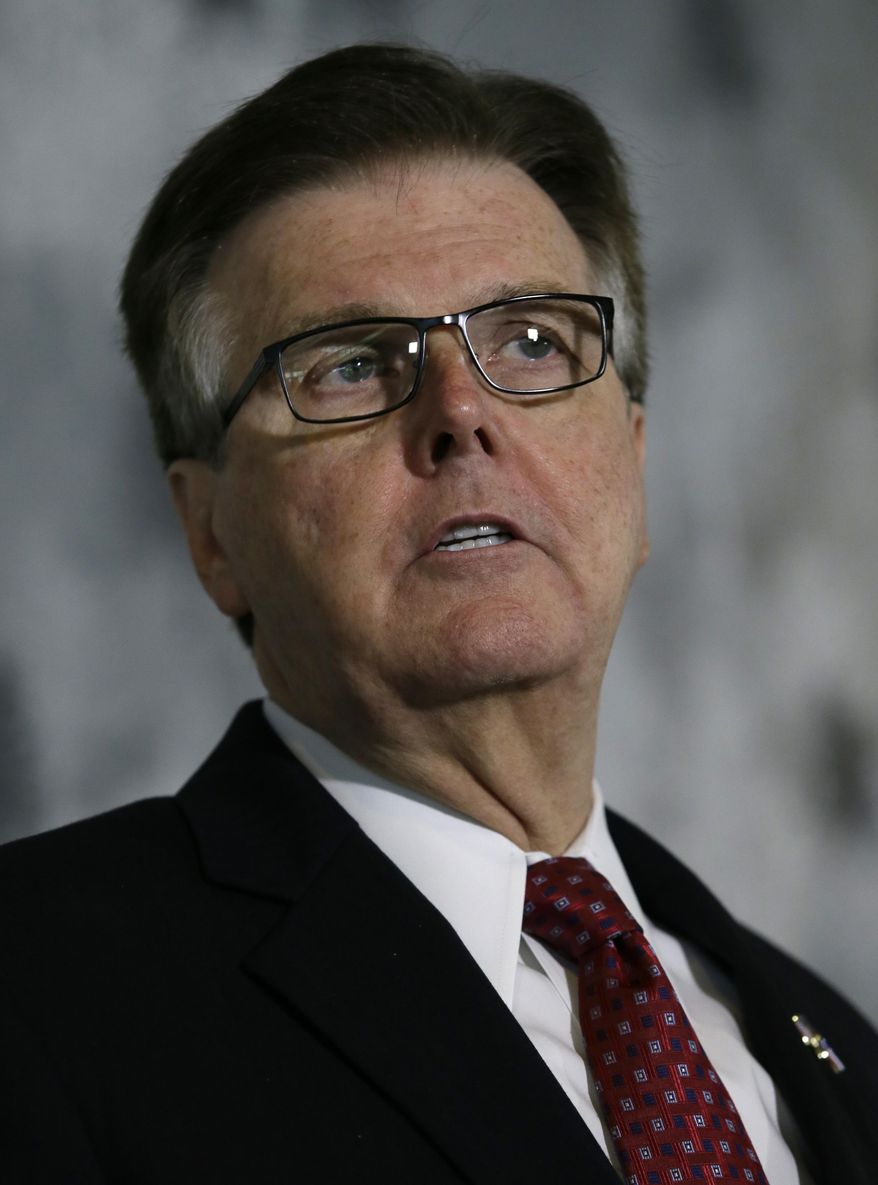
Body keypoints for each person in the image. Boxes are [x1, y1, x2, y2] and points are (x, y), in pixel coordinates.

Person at [0, 43, 874, 1185]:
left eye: (531, 341)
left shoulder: (825, 1044)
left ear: (634, 465)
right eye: (352, 365)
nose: (460, 411)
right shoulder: (40, 984)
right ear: (212, 532)